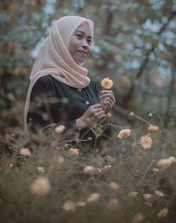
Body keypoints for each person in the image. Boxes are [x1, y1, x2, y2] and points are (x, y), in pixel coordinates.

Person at [24, 16, 116, 148]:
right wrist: (79, 123)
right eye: (79, 36)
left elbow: (103, 141)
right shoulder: (46, 82)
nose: (86, 44)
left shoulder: (89, 84)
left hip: (90, 166)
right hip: (55, 166)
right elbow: (34, 134)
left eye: (89, 41)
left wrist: (103, 116)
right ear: (61, 39)